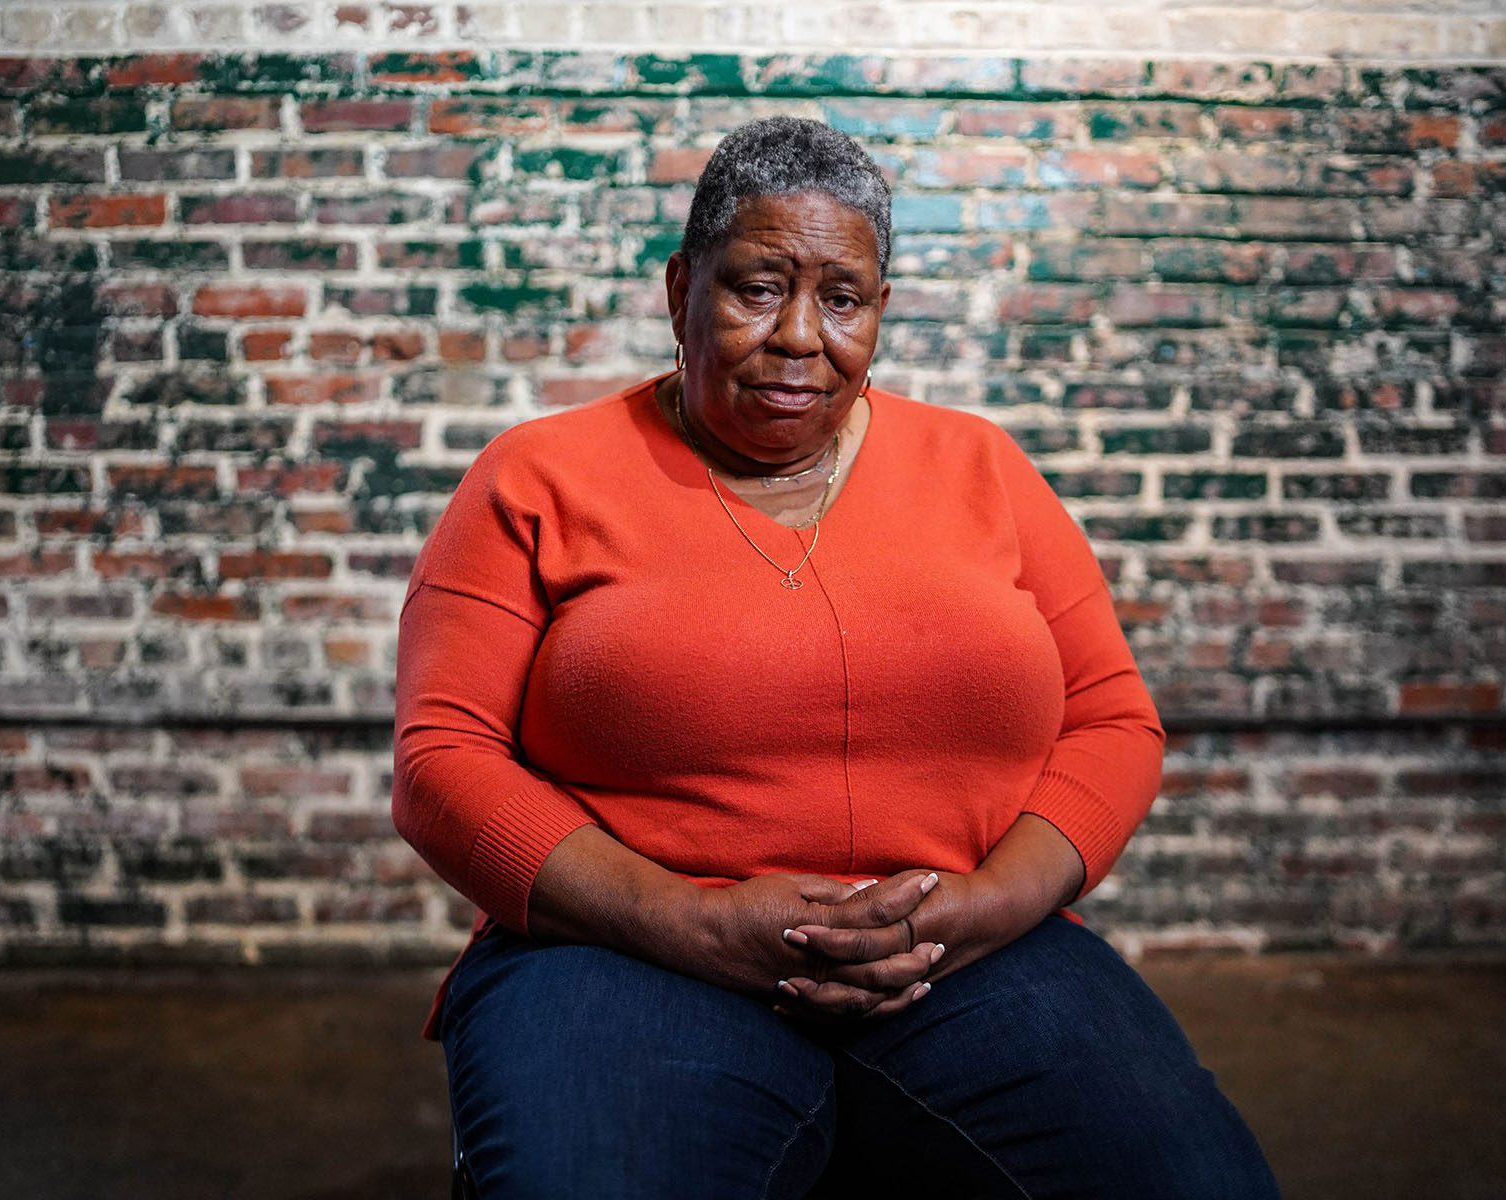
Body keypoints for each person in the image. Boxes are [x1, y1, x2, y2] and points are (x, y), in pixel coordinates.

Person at [392, 116, 1280, 1198]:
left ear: (879, 312)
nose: (800, 336)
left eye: (842, 298)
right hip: (621, 949)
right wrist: (694, 921)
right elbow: (443, 761)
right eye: (757, 287)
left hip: (963, 953)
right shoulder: (538, 478)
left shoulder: (981, 467)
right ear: (682, 289)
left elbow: (1111, 720)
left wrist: (988, 906)